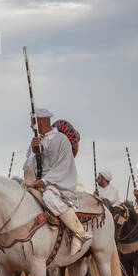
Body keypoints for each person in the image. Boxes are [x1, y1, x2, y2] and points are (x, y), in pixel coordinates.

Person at [20, 109, 91, 256]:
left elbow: (63, 166)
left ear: (40, 122)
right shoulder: (36, 141)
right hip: (37, 183)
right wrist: (34, 152)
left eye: (32, 123)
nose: (30, 126)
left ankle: (79, 232)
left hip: (58, 184)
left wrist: (45, 181)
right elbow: (27, 167)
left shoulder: (61, 140)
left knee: (49, 197)